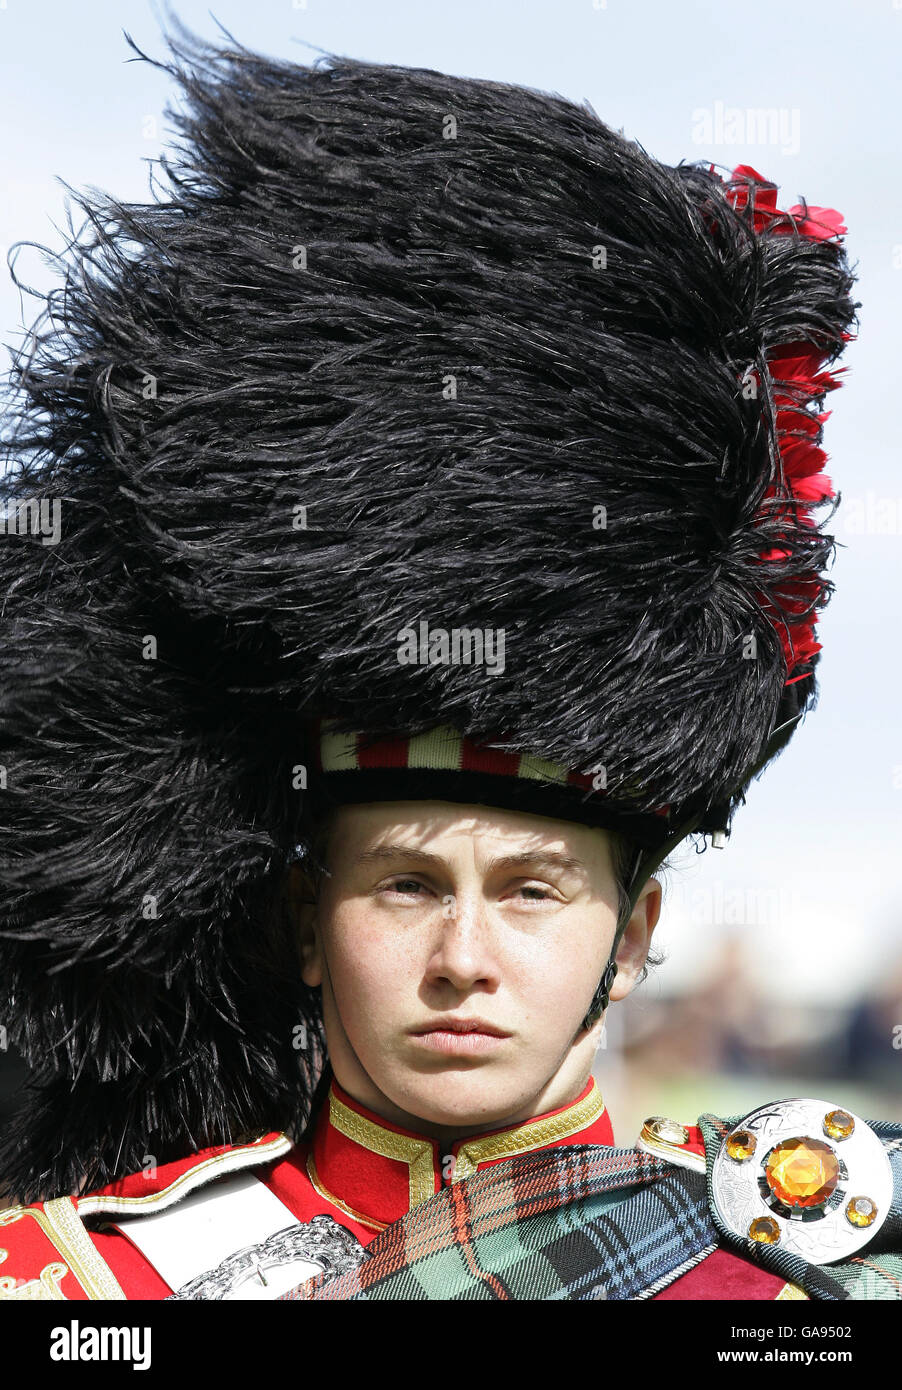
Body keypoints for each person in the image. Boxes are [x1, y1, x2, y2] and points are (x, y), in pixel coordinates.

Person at [1, 25, 898, 1301]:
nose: (461, 958)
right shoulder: (81, 1282)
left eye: (532, 891)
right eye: (406, 885)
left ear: (632, 934)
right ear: (306, 924)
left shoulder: (798, 1286)